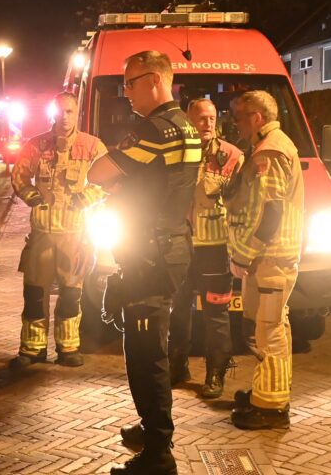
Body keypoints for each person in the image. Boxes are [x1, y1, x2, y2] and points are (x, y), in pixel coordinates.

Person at [88, 51, 201, 475]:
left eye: (129, 83)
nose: (126, 93)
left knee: (145, 351)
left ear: (153, 80)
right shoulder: (186, 125)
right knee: (147, 343)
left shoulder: (154, 129)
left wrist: (120, 169)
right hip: (168, 247)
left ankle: (158, 452)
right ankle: (152, 426)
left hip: (151, 255)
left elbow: (98, 172)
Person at [9, 92, 107, 369]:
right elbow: (18, 176)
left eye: (70, 112)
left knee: (71, 294)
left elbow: (110, 178)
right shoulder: (35, 145)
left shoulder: (93, 146)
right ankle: (32, 350)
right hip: (42, 235)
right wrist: (33, 198)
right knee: (35, 294)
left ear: (77, 114)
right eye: (60, 112)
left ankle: (68, 349)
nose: (65, 117)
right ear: (52, 114)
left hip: (75, 235)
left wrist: (85, 198)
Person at [225, 90, 304, 430]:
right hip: (270, 258)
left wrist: (244, 253)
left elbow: (270, 211)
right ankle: (265, 393)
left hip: (271, 257)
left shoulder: (270, 150)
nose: (236, 123)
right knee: (269, 328)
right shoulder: (268, 146)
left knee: (270, 330)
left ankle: (271, 408)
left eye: (241, 117)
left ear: (257, 117)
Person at [169, 98, 243, 398]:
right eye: (201, 118)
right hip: (180, 247)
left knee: (216, 313)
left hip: (215, 249)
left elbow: (242, 205)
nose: (208, 123)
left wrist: (238, 247)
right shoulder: (176, 153)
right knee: (178, 311)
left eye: (212, 117)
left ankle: (216, 374)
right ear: (188, 120)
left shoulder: (232, 156)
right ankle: (177, 365)